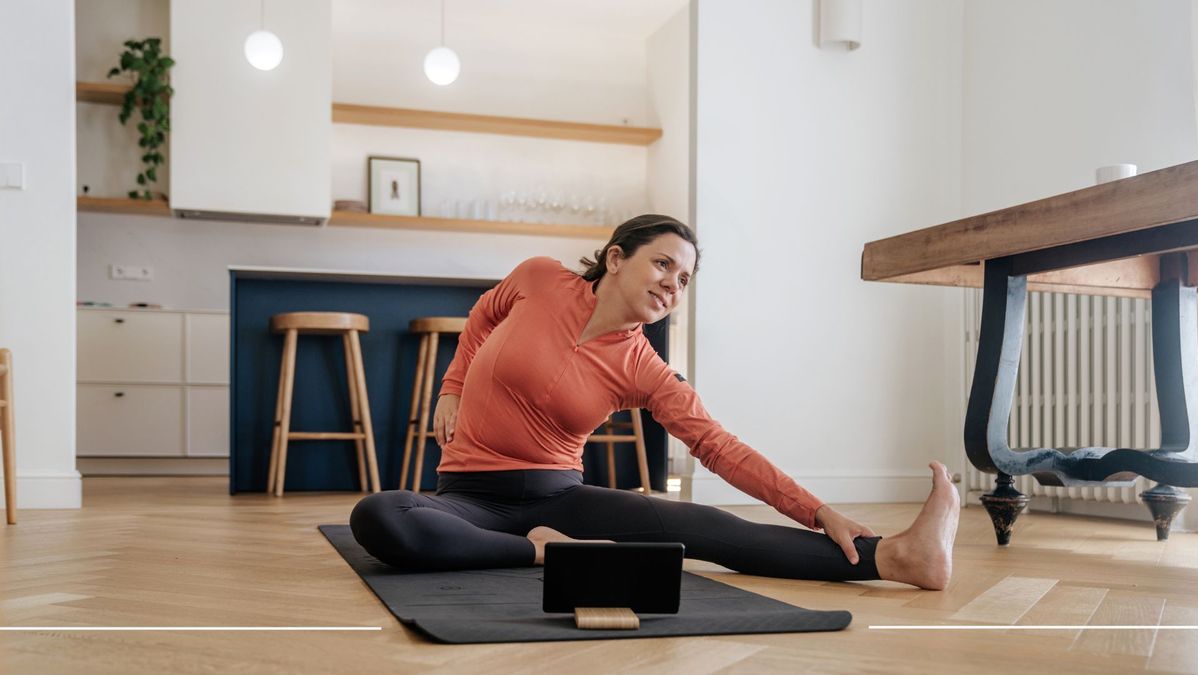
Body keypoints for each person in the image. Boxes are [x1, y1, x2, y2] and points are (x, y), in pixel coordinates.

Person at [350, 215, 959, 589]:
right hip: (466, 500)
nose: (673, 283)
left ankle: (898, 559)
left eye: (685, 278)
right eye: (663, 263)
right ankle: (536, 553)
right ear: (616, 259)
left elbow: (717, 447)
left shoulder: (644, 368)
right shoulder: (539, 279)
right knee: (381, 517)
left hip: (560, 498)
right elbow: (484, 314)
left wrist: (816, 509)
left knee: (707, 528)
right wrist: (452, 388)